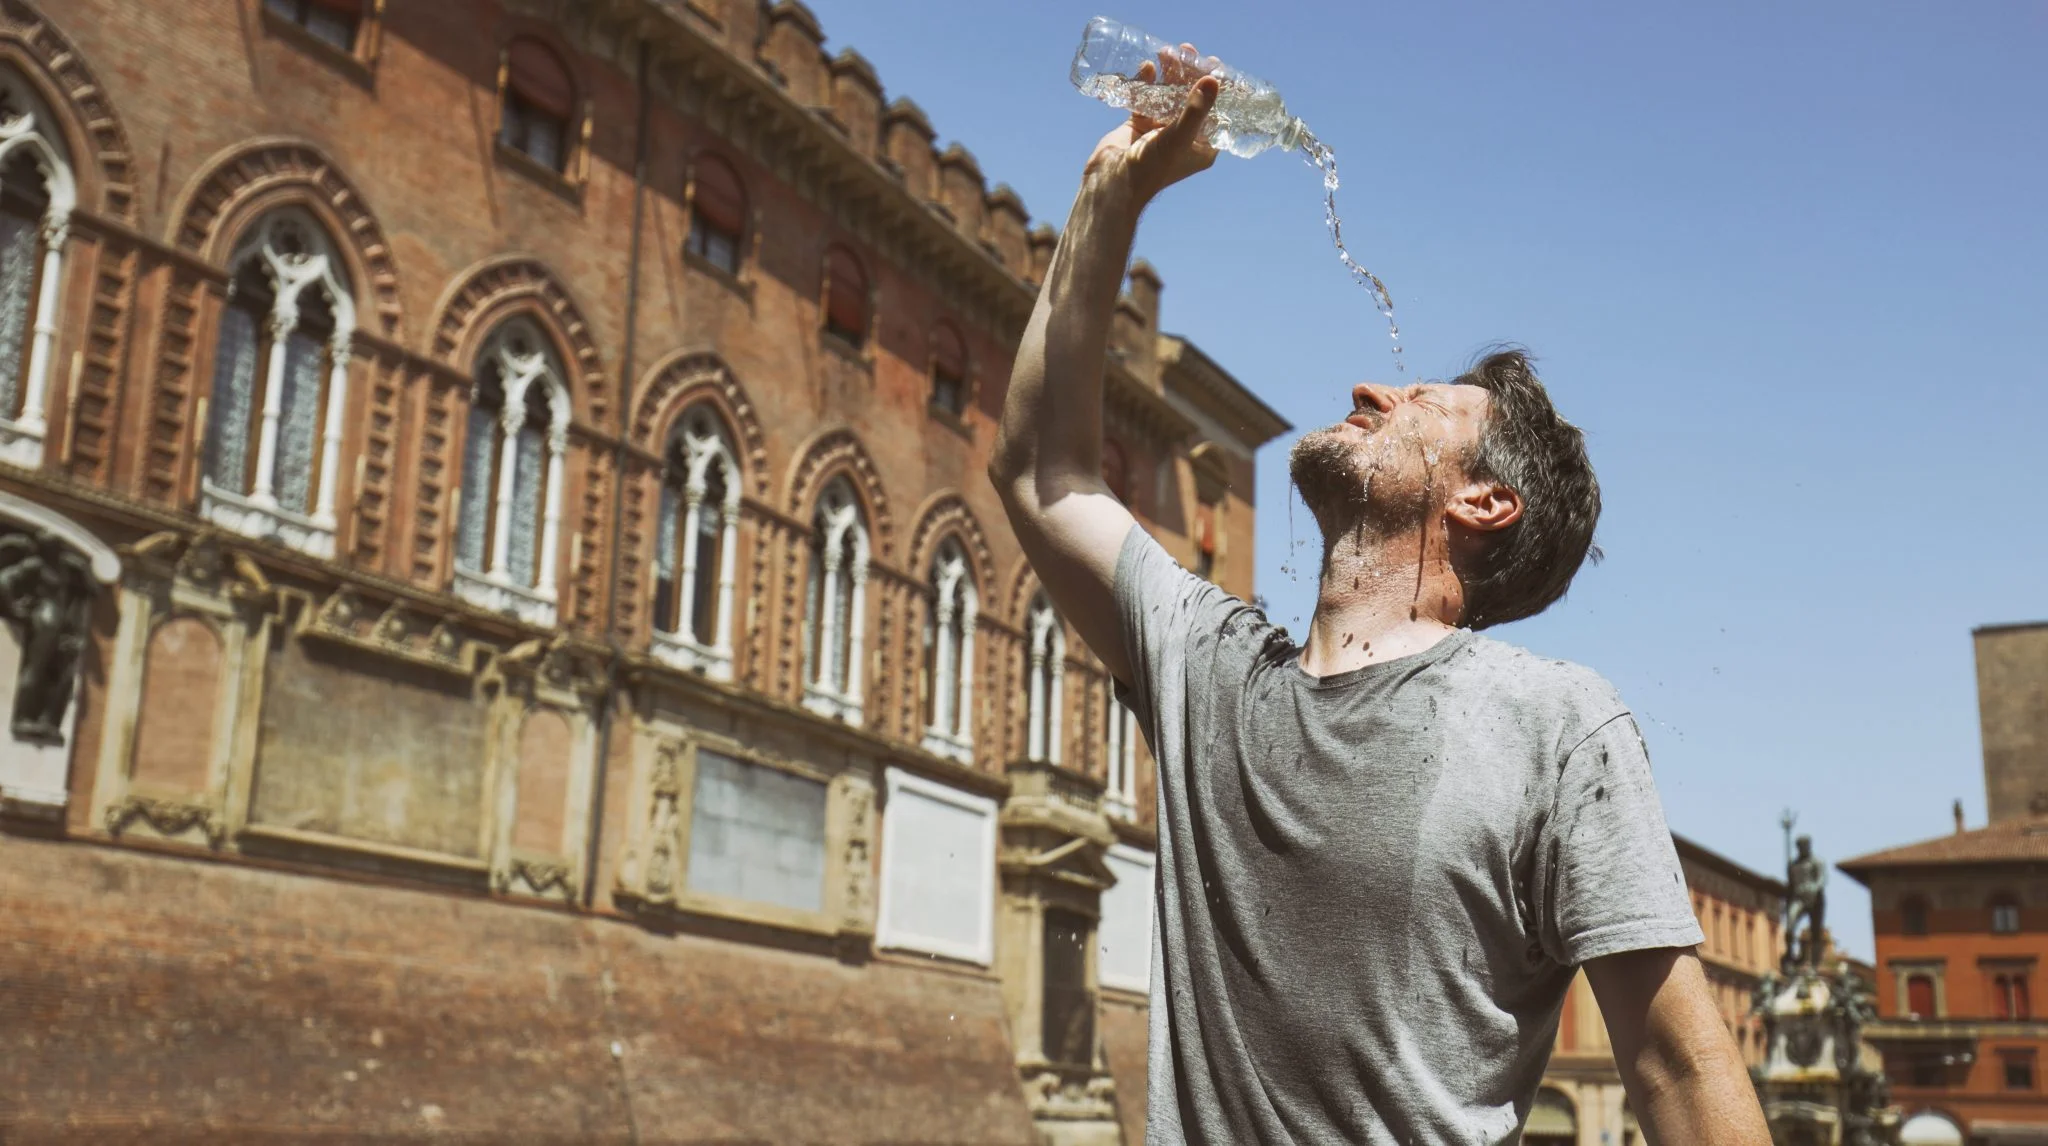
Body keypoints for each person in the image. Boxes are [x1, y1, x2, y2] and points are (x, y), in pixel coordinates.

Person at [987, 48, 1771, 1145]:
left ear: (1485, 502)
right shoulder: (1205, 670)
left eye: (1417, 404)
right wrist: (1107, 194)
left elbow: (1678, 1074)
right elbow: (1039, 474)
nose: (1367, 386)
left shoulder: (1552, 725)